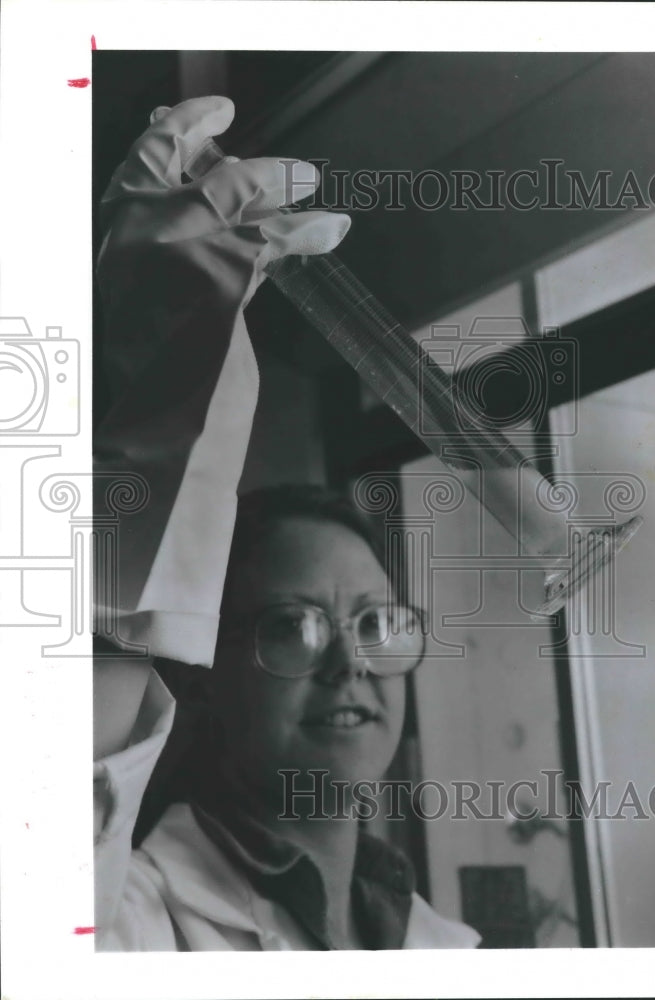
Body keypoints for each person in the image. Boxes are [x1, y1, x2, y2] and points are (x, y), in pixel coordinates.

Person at [93, 95, 480, 951]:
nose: (353, 662)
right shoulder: (122, 924)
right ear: (200, 674)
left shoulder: (447, 948)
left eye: (377, 624)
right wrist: (154, 451)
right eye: (294, 627)